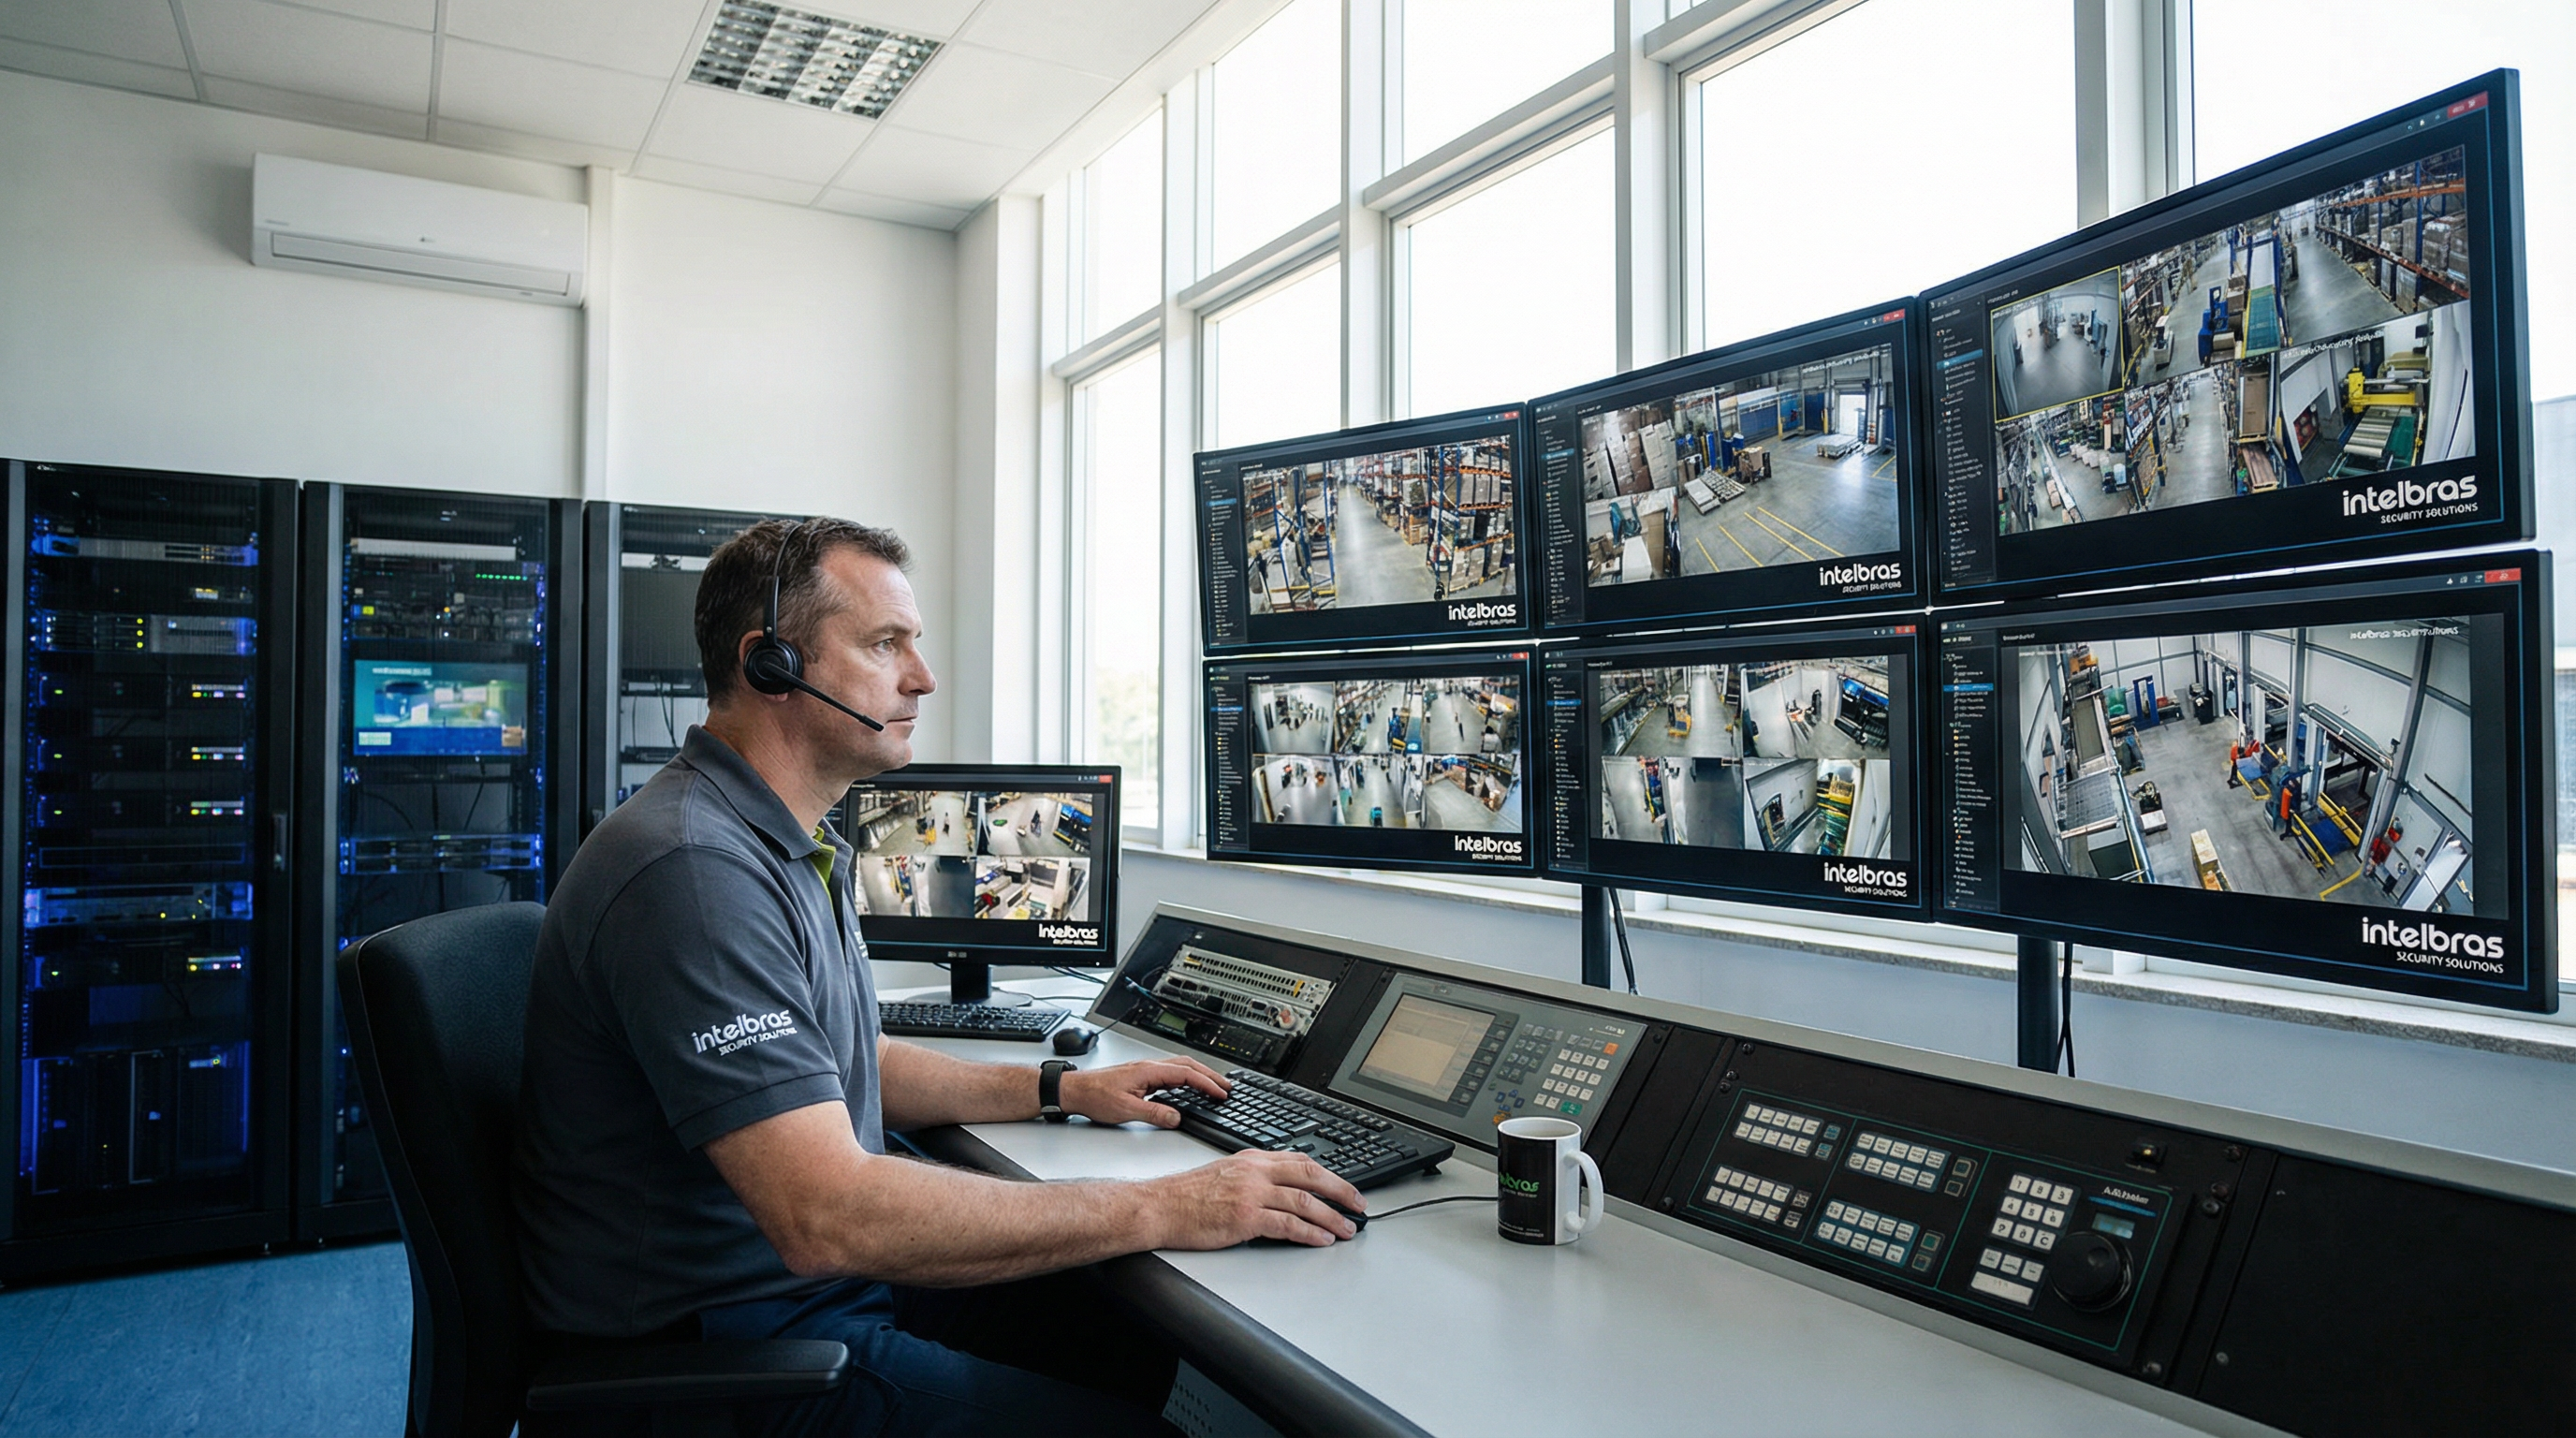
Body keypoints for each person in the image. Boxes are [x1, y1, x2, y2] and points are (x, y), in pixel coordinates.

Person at [514, 519, 1362, 1437]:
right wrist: (1167, 1202)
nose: (922, 676)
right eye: (886, 644)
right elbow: (825, 1214)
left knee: (1119, 1329)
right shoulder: (694, 871)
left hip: (797, 1290)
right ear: (772, 665)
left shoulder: (777, 835)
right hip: (725, 1345)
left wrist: (1060, 1087)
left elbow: (850, 1058)